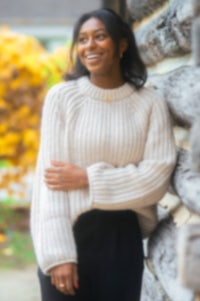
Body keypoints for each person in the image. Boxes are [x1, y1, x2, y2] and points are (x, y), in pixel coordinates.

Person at [31, 8, 177, 301]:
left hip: (122, 241)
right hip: (69, 233)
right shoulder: (62, 98)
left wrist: (87, 177)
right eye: (82, 39)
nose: (90, 46)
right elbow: (50, 186)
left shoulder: (150, 103)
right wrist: (58, 254)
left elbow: (156, 179)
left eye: (100, 36)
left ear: (122, 45)